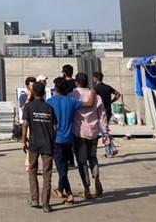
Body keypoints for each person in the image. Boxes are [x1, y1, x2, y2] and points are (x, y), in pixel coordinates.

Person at [47, 77, 97, 205]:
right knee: (63, 166)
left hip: (56, 139)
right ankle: (59, 189)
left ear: (55, 89)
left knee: (61, 168)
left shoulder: (49, 102)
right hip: (69, 139)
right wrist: (92, 92)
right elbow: (89, 104)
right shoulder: (72, 101)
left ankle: (69, 194)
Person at [70, 72, 108, 199]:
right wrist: (106, 133)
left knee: (82, 162)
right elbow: (102, 115)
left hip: (79, 132)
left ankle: (86, 189)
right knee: (92, 157)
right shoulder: (95, 95)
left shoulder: (73, 95)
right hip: (93, 131)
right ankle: (96, 178)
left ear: (76, 82)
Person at [22, 81, 56, 213]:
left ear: (34, 92)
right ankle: (46, 204)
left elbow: (25, 124)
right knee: (47, 174)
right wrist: (52, 140)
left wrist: (23, 140)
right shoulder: (49, 108)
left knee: (32, 171)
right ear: (44, 93)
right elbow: (55, 127)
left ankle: (35, 198)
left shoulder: (29, 107)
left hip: (34, 144)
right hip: (47, 144)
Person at [92, 72, 121, 158]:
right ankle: (112, 148)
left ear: (96, 78)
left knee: (104, 132)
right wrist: (111, 101)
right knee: (105, 130)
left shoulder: (95, 88)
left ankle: (110, 151)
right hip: (108, 110)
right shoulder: (107, 87)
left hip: (100, 112)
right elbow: (118, 94)